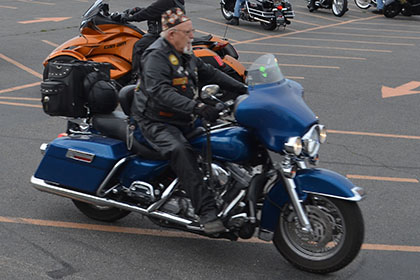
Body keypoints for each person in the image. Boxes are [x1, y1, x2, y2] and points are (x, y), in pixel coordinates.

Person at [130, 8, 248, 234]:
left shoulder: (184, 52)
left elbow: (211, 73)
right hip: (155, 120)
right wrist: (197, 107)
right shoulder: (156, 56)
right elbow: (160, 92)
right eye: (187, 32)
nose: (192, 36)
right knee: (181, 151)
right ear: (172, 34)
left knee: (223, 137)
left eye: (192, 31)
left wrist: (245, 88)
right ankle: (206, 212)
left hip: (181, 116)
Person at [122, 0, 186, 78]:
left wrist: (129, 18)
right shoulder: (173, 2)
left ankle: (137, 77)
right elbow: (154, 10)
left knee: (139, 46)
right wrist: (137, 10)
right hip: (168, 33)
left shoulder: (168, 1)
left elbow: (149, 12)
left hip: (163, 35)